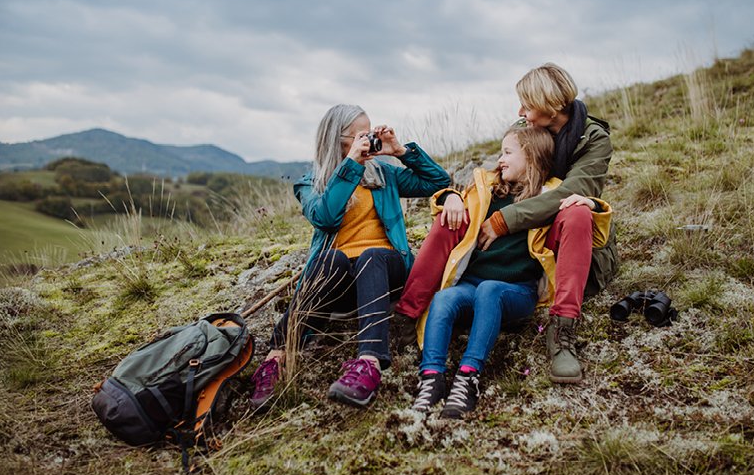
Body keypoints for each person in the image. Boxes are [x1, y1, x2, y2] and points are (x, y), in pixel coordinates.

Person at [396, 63, 615, 383]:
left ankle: (563, 332)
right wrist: (453, 196)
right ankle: (407, 314)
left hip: (557, 232)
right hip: (520, 229)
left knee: (577, 209)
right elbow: (492, 175)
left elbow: (572, 192)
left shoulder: (593, 139)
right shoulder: (525, 126)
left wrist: (503, 220)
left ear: (551, 106)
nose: (521, 111)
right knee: (450, 217)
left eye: (527, 104)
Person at [249, 104, 451, 410]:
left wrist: (400, 151)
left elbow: (438, 182)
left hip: (386, 270)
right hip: (342, 281)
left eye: (369, 133)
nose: (368, 140)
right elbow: (326, 218)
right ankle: (276, 360)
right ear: (337, 139)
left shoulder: (383, 174)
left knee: (372, 255)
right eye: (360, 135)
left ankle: (368, 363)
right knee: (329, 260)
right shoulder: (310, 183)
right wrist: (351, 165)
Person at [410, 125, 611, 418]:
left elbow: (590, 228)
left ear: (531, 157)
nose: (500, 159)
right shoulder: (488, 190)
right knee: (444, 299)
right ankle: (432, 378)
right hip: (472, 286)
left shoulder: (548, 196)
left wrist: (591, 202)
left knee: (490, 290)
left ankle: (468, 377)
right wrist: (450, 195)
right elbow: (453, 202)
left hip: (515, 291)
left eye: (507, 152)